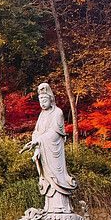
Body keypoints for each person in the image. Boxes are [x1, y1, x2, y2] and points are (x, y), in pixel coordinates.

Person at [21, 83, 77, 213]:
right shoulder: (42, 115)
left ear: (51, 99)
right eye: (40, 100)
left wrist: (38, 140)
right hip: (44, 151)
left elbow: (55, 134)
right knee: (46, 177)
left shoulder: (57, 113)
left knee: (56, 175)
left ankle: (61, 207)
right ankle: (49, 208)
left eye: (45, 100)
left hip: (53, 152)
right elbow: (37, 131)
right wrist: (34, 142)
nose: (42, 103)